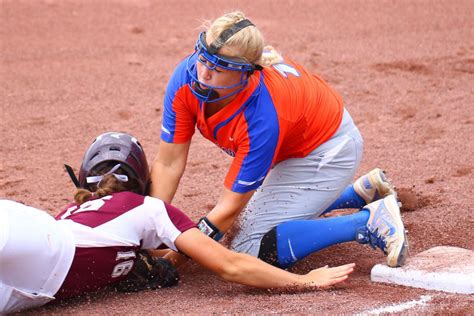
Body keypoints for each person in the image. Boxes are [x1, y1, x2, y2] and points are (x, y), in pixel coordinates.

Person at [150, 11, 409, 269]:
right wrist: (148, 232)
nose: (204, 73)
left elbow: (227, 210)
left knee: (247, 246)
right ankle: (356, 192)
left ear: (245, 73)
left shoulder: (261, 118)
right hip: (295, 144)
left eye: (218, 68)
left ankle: (367, 221)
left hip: (327, 151)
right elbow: (168, 163)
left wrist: (176, 256)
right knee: (247, 217)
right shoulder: (186, 78)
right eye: (203, 58)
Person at [0, 132, 355, 314]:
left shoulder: (74, 213)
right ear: (142, 176)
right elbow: (229, 265)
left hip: (34, 264)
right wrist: (303, 281)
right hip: (44, 250)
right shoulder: (150, 207)